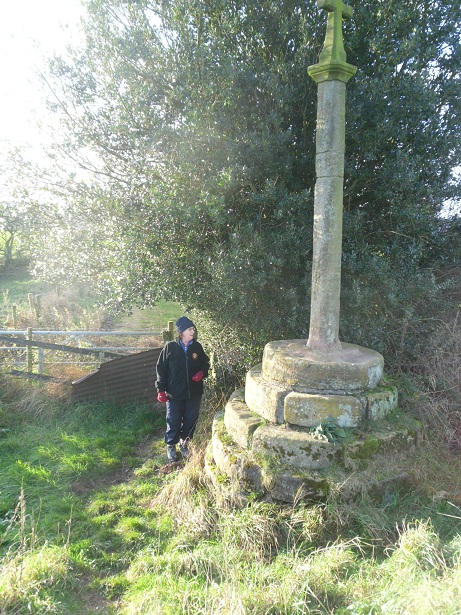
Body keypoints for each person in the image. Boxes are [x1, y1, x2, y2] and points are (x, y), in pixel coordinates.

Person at [155, 316, 210, 461]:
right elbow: (161, 368)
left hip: (194, 392)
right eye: (189, 329)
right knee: (173, 419)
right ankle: (171, 445)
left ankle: (184, 444)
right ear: (181, 333)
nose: (193, 331)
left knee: (191, 419)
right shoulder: (170, 348)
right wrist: (161, 389)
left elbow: (206, 363)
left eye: (193, 329)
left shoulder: (197, 347)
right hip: (174, 393)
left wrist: (201, 373)